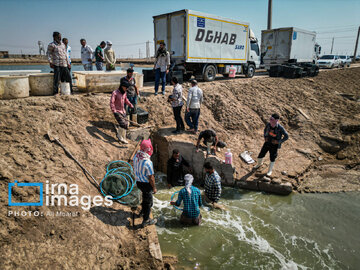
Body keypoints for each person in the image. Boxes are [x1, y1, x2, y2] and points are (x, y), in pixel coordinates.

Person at [133, 139, 157, 227]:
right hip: (146, 184)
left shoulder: (136, 156)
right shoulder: (148, 162)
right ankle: (146, 220)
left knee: (145, 198)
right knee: (149, 203)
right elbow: (151, 177)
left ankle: (142, 212)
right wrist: (154, 187)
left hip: (138, 182)